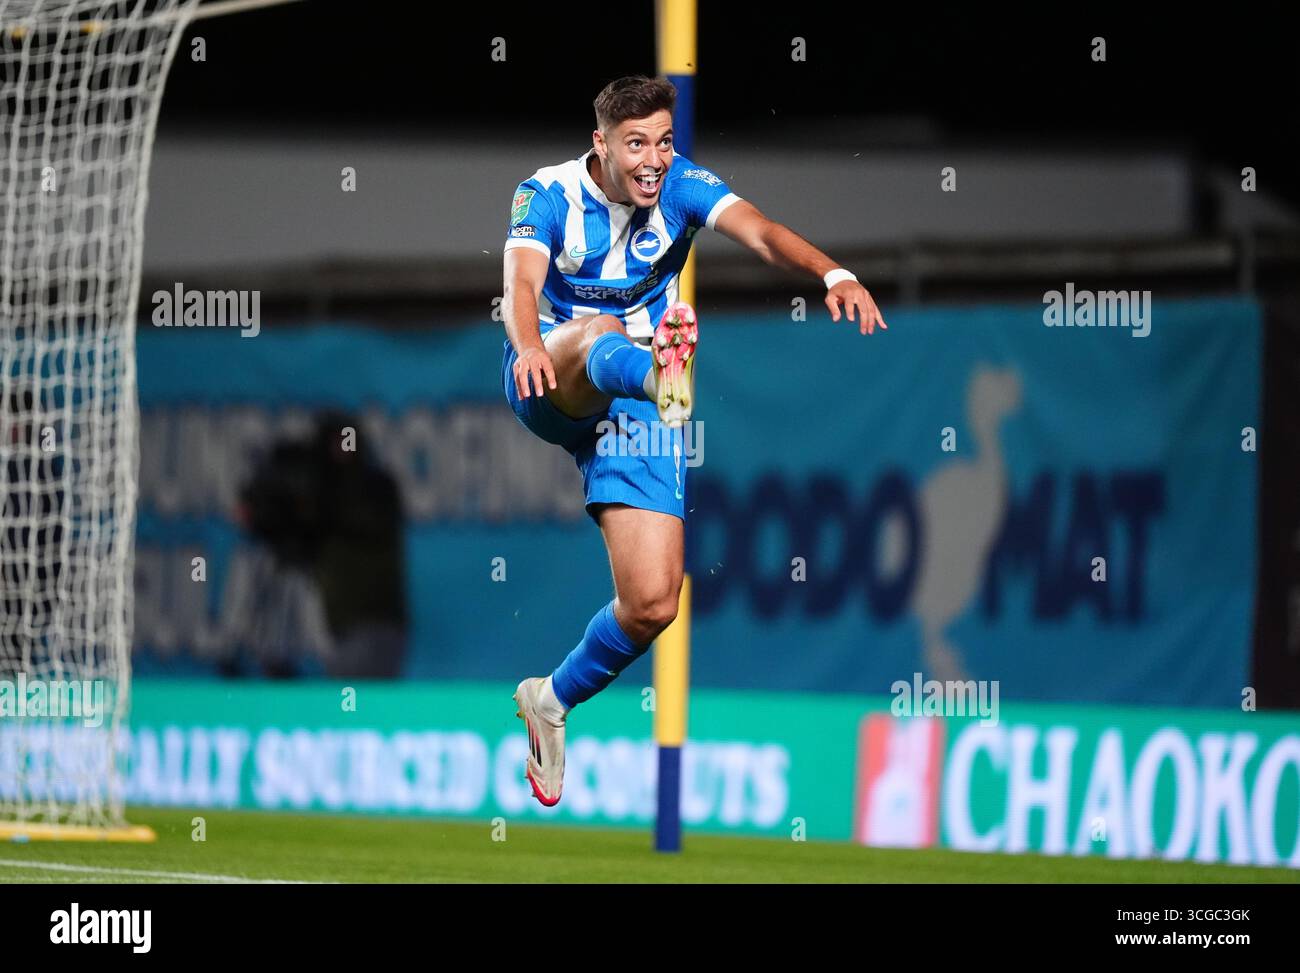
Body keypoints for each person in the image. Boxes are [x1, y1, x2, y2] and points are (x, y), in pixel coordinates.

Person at [502, 75, 887, 806]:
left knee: (652, 602)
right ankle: (656, 374)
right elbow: (521, 283)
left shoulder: (681, 186)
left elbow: (762, 232)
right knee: (601, 332)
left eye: (664, 142)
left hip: (638, 413)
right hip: (553, 373)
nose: (654, 159)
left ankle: (549, 701)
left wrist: (831, 272)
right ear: (601, 144)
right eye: (636, 143)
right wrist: (526, 344)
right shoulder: (545, 194)